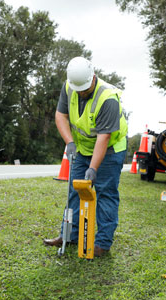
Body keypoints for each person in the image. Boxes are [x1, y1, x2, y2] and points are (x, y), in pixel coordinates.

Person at [43, 57, 128, 257]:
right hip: (82, 148)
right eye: (77, 88)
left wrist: (93, 168)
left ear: (93, 78)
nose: (80, 92)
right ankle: (69, 236)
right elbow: (60, 115)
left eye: (84, 89)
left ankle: (102, 244)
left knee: (105, 192)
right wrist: (69, 142)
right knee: (74, 190)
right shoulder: (69, 87)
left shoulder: (108, 98)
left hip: (110, 149)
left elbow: (104, 137)